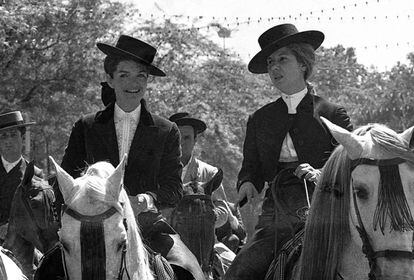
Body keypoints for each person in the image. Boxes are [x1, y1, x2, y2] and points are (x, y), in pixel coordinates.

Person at [59, 35, 203, 279]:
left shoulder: (167, 130)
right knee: (47, 269)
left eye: (141, 76)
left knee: (189, 271)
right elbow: (64, 180)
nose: (133, 83)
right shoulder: (86, 126)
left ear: (147, 81)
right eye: (124, 75)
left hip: (147, 225)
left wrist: (146, 199)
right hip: (91, 226)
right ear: (110, 79)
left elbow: (174, 188)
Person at [224, 23, 353, 280]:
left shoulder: (333, 113)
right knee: (239, 271)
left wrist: (320, 173)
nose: (274, 67)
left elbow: (353, 164)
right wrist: (248, 183)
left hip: (327, 213)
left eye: (283, 59)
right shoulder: (260, 118)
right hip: (275, 217)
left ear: (303, 64)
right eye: (271, 62)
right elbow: (251, 167)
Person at [169, 112, 239, 278]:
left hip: (207, 243)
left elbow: (223, 209)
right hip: (169, 241)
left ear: (195, 140)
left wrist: (205, 218)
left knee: (236, 267)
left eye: (186, 138)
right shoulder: (158, 172)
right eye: (177, 137)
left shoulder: (210, 173)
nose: (181, 143)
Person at [0, 110, 43, 242]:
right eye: (3, 136)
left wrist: (14, 227)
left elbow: (41, 217)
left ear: (23, 138)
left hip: (22, 246)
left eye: (13, 135)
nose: (8, 141)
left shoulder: (35, 174)